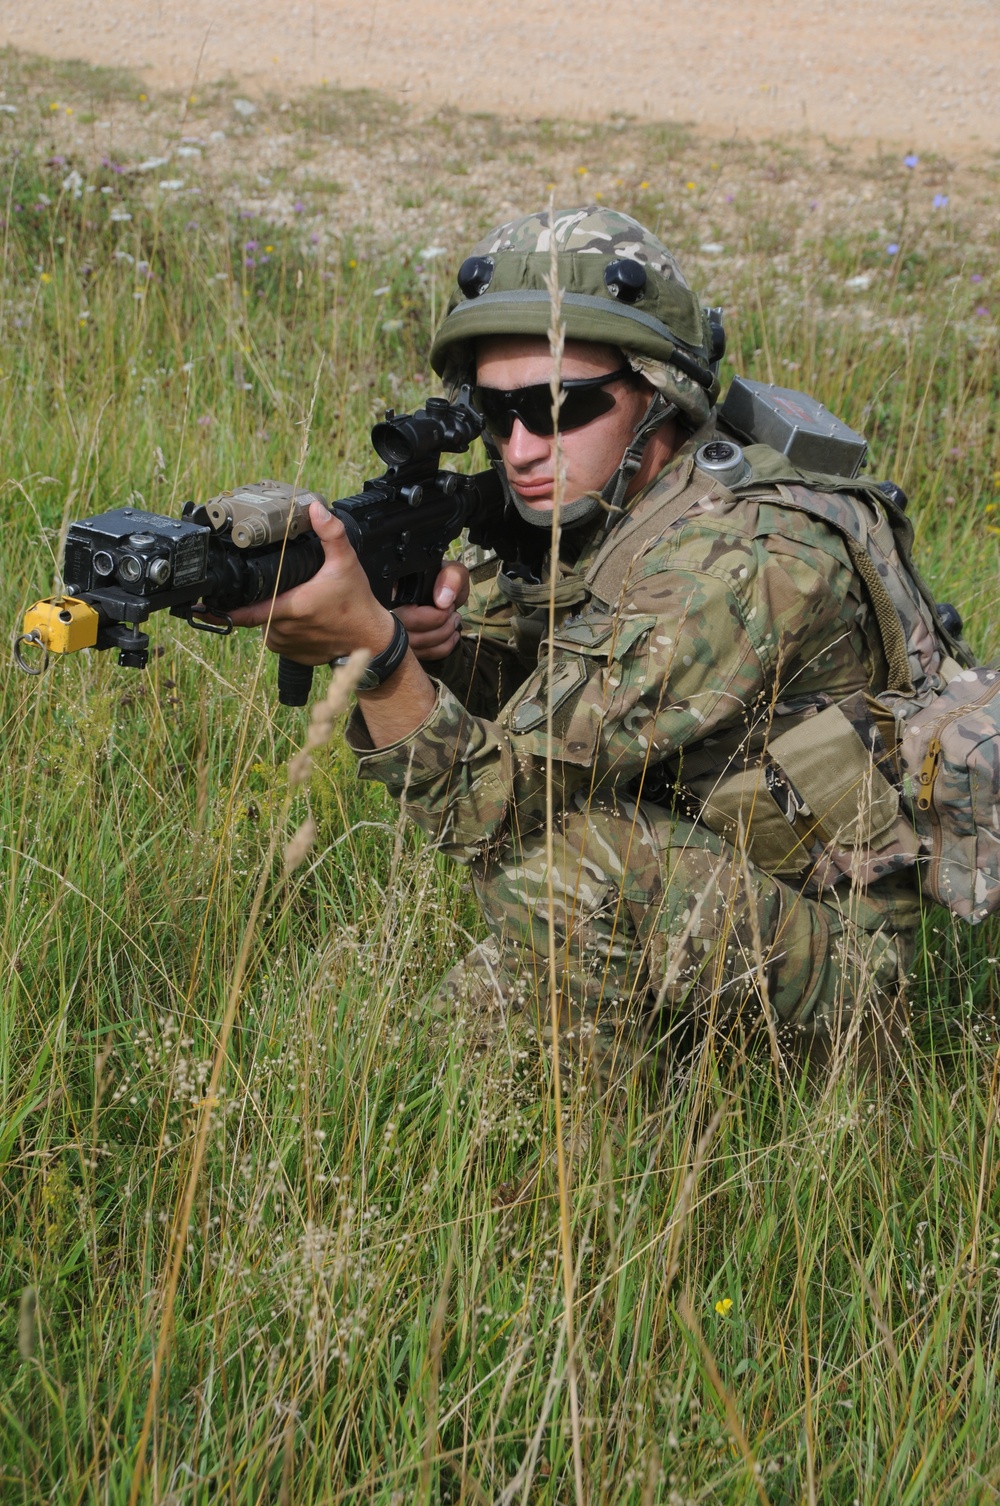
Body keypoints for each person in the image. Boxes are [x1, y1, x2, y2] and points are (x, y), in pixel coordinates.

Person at [230, 206, 932, 1081]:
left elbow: (496, 803)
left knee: (558, 868)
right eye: (495, 412)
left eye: (559, 406)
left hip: (843, 956)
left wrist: (378, 659)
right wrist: (441, 652)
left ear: (659, 396)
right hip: (706, 872)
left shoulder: (739, 560)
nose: (519, 448)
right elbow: (543, 700)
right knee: (449, 1061)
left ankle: (612, 1193)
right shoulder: (604, 510)